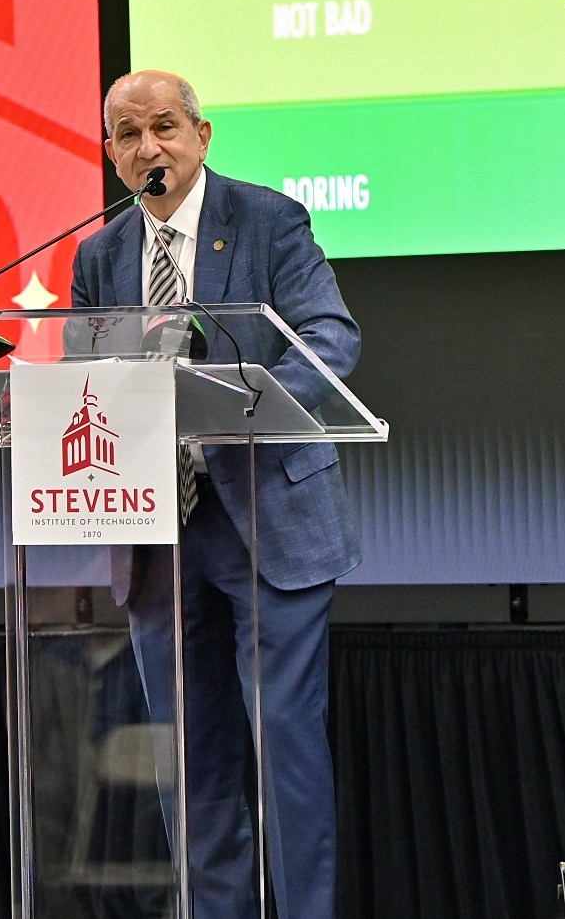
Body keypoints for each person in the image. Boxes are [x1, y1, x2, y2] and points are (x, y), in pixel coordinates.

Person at [68, 69, 360, 919]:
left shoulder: (267, 220)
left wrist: (246, 407)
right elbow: (87, 373)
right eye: (128, 134)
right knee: (190, 762)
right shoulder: (100, 254)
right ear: (112, 153)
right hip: (157, 528)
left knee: (286, 747)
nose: (147, 147)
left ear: (201, 135)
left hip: (268, 515)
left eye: (163, 126)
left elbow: (330, 337)